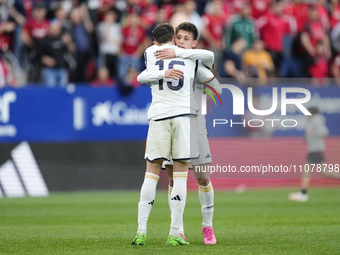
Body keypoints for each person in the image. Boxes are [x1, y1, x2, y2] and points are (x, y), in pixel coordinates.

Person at [137, 22, 221, 245]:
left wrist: (200, 94)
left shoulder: (194, 61)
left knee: (203, 177)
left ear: (193, 43)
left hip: (196, 124)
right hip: (178, 121)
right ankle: (178, 229)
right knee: (174, 177)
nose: (181, 41)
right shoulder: (169, 58)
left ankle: (207, 227)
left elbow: (218, 88)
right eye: (179, 37)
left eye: (186, 38)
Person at [289, 107, 339, 202]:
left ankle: (303, 193)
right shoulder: (314, 121)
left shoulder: (316, 120)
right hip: (316, 149)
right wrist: (307, 137)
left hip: (315, 150)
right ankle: (302, 193)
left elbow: (324, 132)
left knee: (306, 169)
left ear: (310, 112)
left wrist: (311, 133)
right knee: (325, 172)